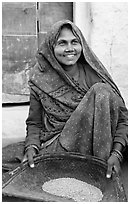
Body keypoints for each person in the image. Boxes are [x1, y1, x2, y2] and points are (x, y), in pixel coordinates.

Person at [2, 20, 128, 179]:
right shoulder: (39, 79)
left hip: (95, 147)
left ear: (82, 45)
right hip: (59, 144)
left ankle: (97, 167)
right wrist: (31, 147)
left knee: (102, 90)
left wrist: (116, 153)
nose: (69, 49)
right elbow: (34, 122)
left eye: (74, 42)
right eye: (62, 43)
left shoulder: (94, 75)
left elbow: (122, 119)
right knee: (6, 159)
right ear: (51, 48)